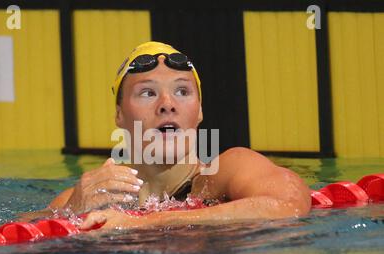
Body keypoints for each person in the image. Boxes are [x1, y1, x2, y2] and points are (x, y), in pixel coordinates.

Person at [22, 41, 311, 231]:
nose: (167, 103)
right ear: (119, 115)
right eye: (147, 92)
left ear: (199, 112)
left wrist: (145, 223)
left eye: (182, 91)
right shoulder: (94, 194)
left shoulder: (223, 173)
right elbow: (19, 235)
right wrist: (72, 211)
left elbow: (290, 203)